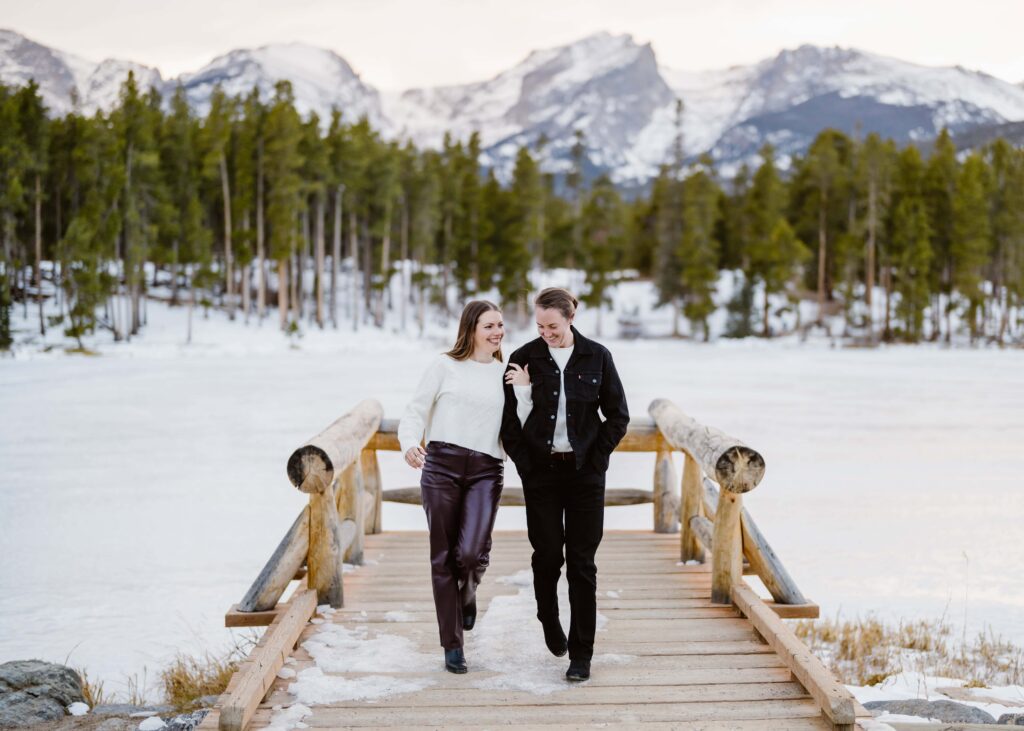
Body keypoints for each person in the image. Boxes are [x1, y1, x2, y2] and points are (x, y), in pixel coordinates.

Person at [501, 287, 629, 681]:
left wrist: (597, 459)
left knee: (582, 564)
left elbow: (618, 416)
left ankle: (581, 654)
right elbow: (509, 424)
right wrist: (527, 468)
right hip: (541, 474)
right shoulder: (524, 357)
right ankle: (549, 618)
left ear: (570, 318)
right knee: (546, 555)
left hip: (585, 475)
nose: (546, 333)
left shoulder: (597, 357)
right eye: (540, 326)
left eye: (553, 326)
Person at [398, 300, 507, 675]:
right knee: (443, 558)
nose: (497, 332)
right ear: (471, 329)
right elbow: (415, 410)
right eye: (489, 326)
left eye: (500, 325)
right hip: (441, 466)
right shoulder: (443, 366)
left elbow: (521, 424)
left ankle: (468, 592)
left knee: (472, 554)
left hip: (486, 470)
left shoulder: (505, 373)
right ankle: (453, 644)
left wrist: (524, 392)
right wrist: (409, 443)